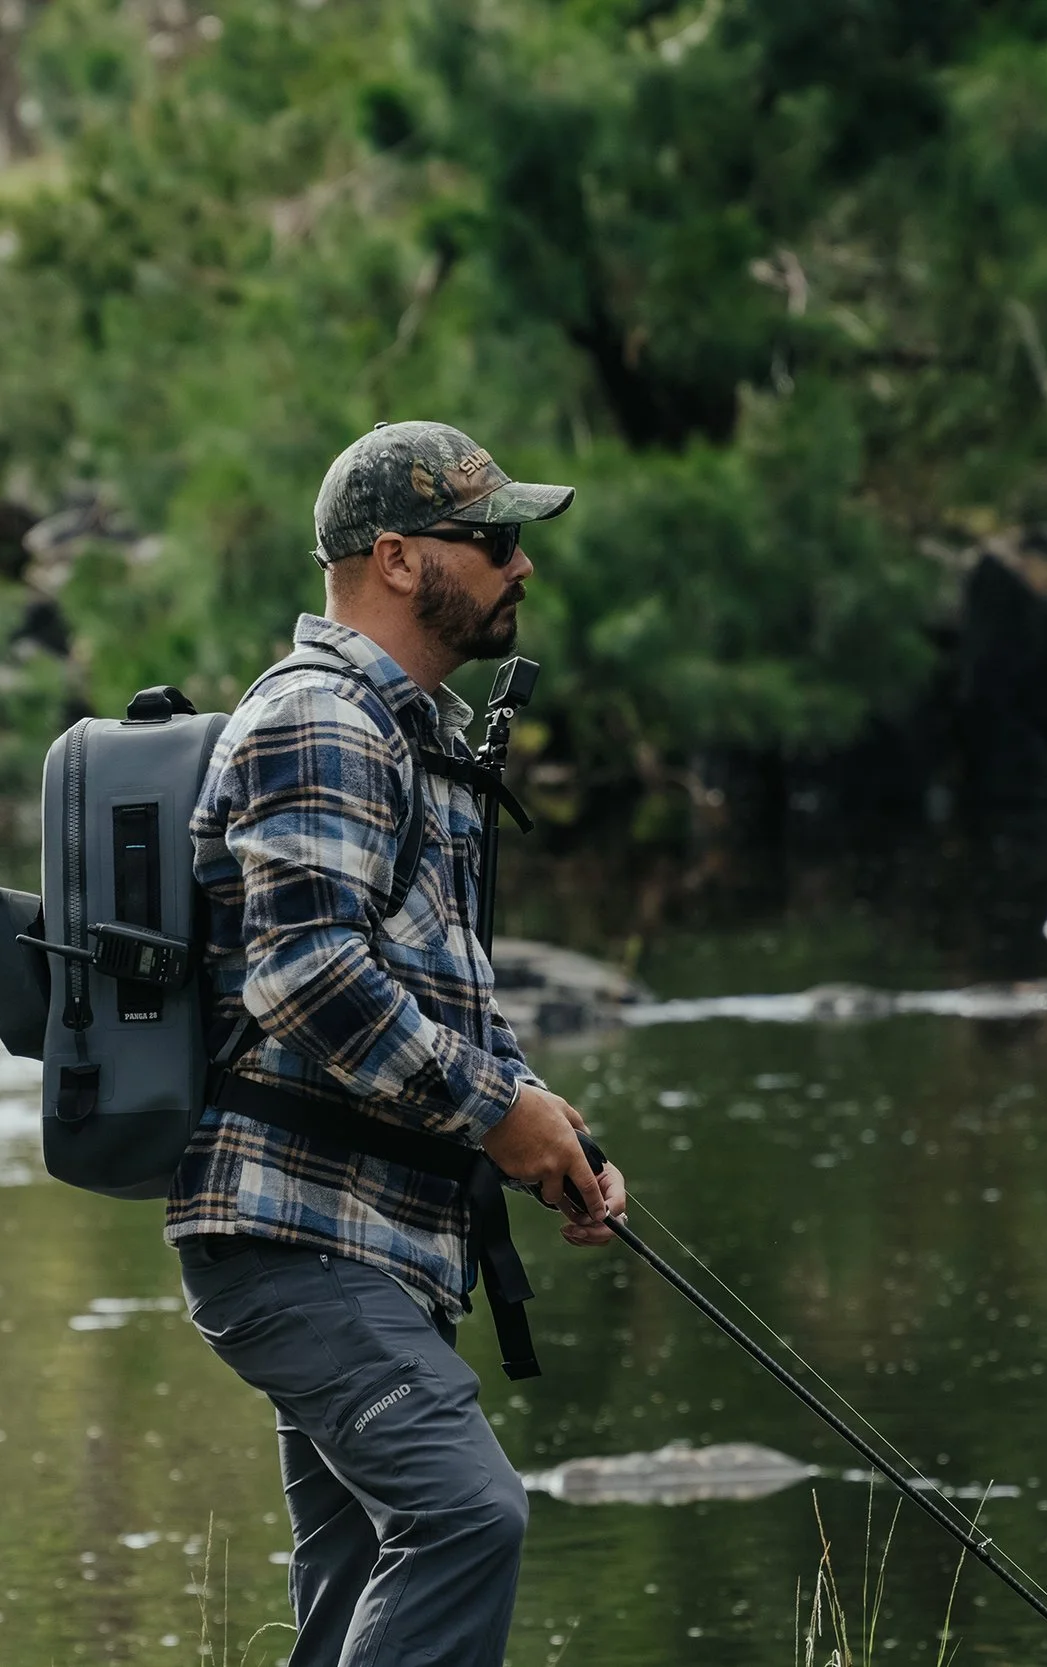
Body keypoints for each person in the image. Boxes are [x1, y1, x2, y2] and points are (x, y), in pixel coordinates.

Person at [172, 420, 629, 1667]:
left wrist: (545, 1123)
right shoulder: (320, 719)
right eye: (490, 539)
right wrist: (494, 1113)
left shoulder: (409, 734)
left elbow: (435, 987)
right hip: (294, 1235)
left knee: (365, 1572)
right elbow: (307, 976)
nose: (519, 564)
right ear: (395, 557)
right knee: (466, 1514)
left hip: (364, 1241)